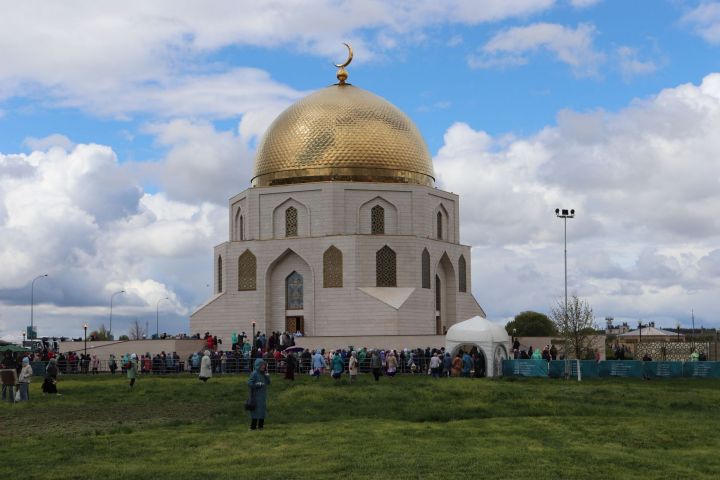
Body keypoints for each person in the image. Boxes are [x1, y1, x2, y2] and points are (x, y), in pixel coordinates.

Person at [248, 358, 271, 430]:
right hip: (255, 396)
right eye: (262, 365)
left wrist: (267, 376)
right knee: (255, 411)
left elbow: (268, 383)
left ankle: (261, 426)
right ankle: (253, 427)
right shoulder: (254, 373)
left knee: (262, 411)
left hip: (262, 396)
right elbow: (249, 383)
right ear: (258, 365)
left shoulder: (263, 373)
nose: (263, 366)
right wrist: (257, 384)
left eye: (264, 365)